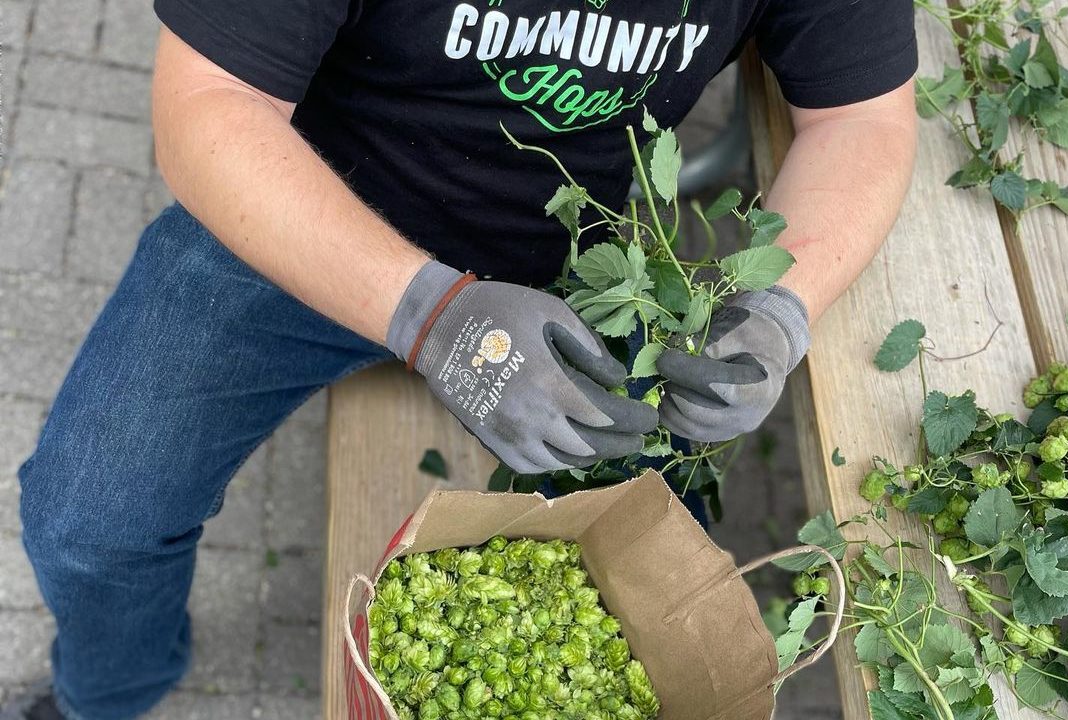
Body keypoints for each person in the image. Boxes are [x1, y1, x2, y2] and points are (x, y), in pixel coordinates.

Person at [4, 0, 918, 715]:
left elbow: (861, 121)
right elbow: (207, 107)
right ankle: (107, 696)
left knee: (633, 602)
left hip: (577, 270)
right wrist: (431, 316)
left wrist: (778, 315)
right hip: (305, 217)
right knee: (91, 521)